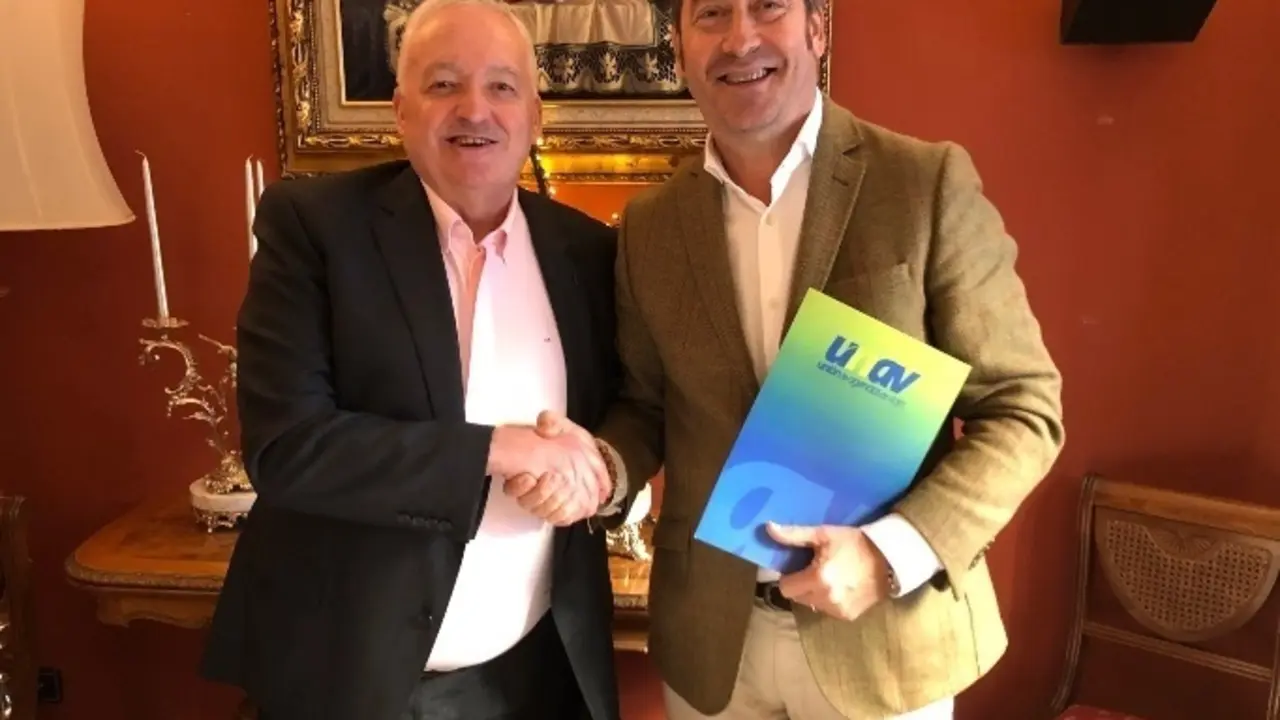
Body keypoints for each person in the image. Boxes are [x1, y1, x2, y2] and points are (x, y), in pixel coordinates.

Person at [534, 0, 1066, 718]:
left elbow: (1023, 411)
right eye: (711, 14)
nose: (740, 37)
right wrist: (600, 465)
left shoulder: (922, 184)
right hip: (715, 650)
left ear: (817, 29)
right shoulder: (649, 226)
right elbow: (647, 406)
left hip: (882, 639)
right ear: (679, 50)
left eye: (768, 7)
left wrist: (890, 554)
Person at [199, 1, 626, 718]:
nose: (474, 109)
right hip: (346, 682)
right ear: (400, 111)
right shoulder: (314, 227)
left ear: (534, 114)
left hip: (531, 677)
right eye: (443, 84)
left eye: (501, 86)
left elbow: (629, 410)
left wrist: (599, 474)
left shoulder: (588, 252)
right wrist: (495, 449)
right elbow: (287, 448)